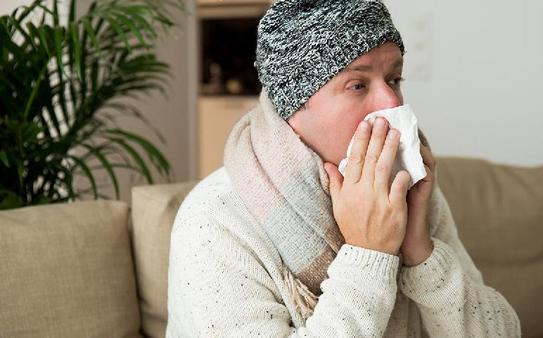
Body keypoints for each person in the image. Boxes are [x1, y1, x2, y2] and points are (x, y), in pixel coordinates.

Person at [166, 0, 521, 336]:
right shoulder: (215, 220)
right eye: (357, 84)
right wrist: (370, 255)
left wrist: (421, 253)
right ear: (293, 107)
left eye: (394, 79)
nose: (391, 102)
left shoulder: (407, 190)